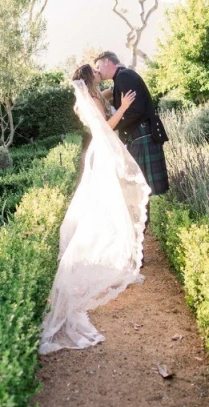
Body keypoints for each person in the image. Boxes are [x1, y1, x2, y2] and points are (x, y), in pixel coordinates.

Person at [39, 64, 151, 354]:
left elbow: (101, 94)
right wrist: (124, 106)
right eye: (97, 75)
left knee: (104, 202)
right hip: (102, 154)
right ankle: (105, 244)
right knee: (106, 203)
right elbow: (107, 126)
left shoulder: (89, 96)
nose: (100, 77)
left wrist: (113, 88)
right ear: (89, 79)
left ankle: (112, 239)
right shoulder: (89, 100)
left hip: (99, 154)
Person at [95, 51, 169, 202]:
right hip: (139, 135)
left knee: (140, 188)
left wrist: (114, 126)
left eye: (98, 66)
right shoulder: (120, 78)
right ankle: (144, 224)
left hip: (141, 134)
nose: (98, 71)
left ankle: (144, 224)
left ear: (107, 62)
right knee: (140, 189)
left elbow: (136, 109)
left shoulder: (123, 76)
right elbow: (104, 97)